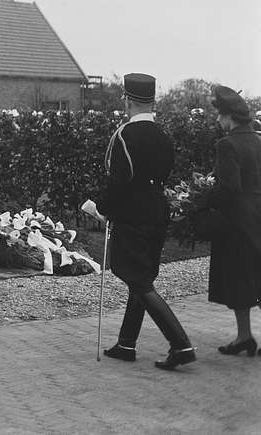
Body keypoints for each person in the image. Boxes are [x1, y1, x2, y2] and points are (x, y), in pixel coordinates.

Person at [95, 73, 195, 371]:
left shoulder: (124, 135)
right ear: (152, 101)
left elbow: (120, 181)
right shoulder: (163, 135)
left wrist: (101, 206)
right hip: (156, 211)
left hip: (132, 213)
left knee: (133, 275)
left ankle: (180, 343)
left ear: (127, 101)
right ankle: (127, 343)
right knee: (142, 278)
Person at [206, 85, 261, 357]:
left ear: (230, 117)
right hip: (259, 214)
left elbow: (229, 188)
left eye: (220, 115)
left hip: (238, 220)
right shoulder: (258, 140)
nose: (218, 120)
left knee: (240, 278)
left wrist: (203, 200)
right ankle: (244, 338)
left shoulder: (227, 144)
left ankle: (244, 335)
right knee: (257, 275)